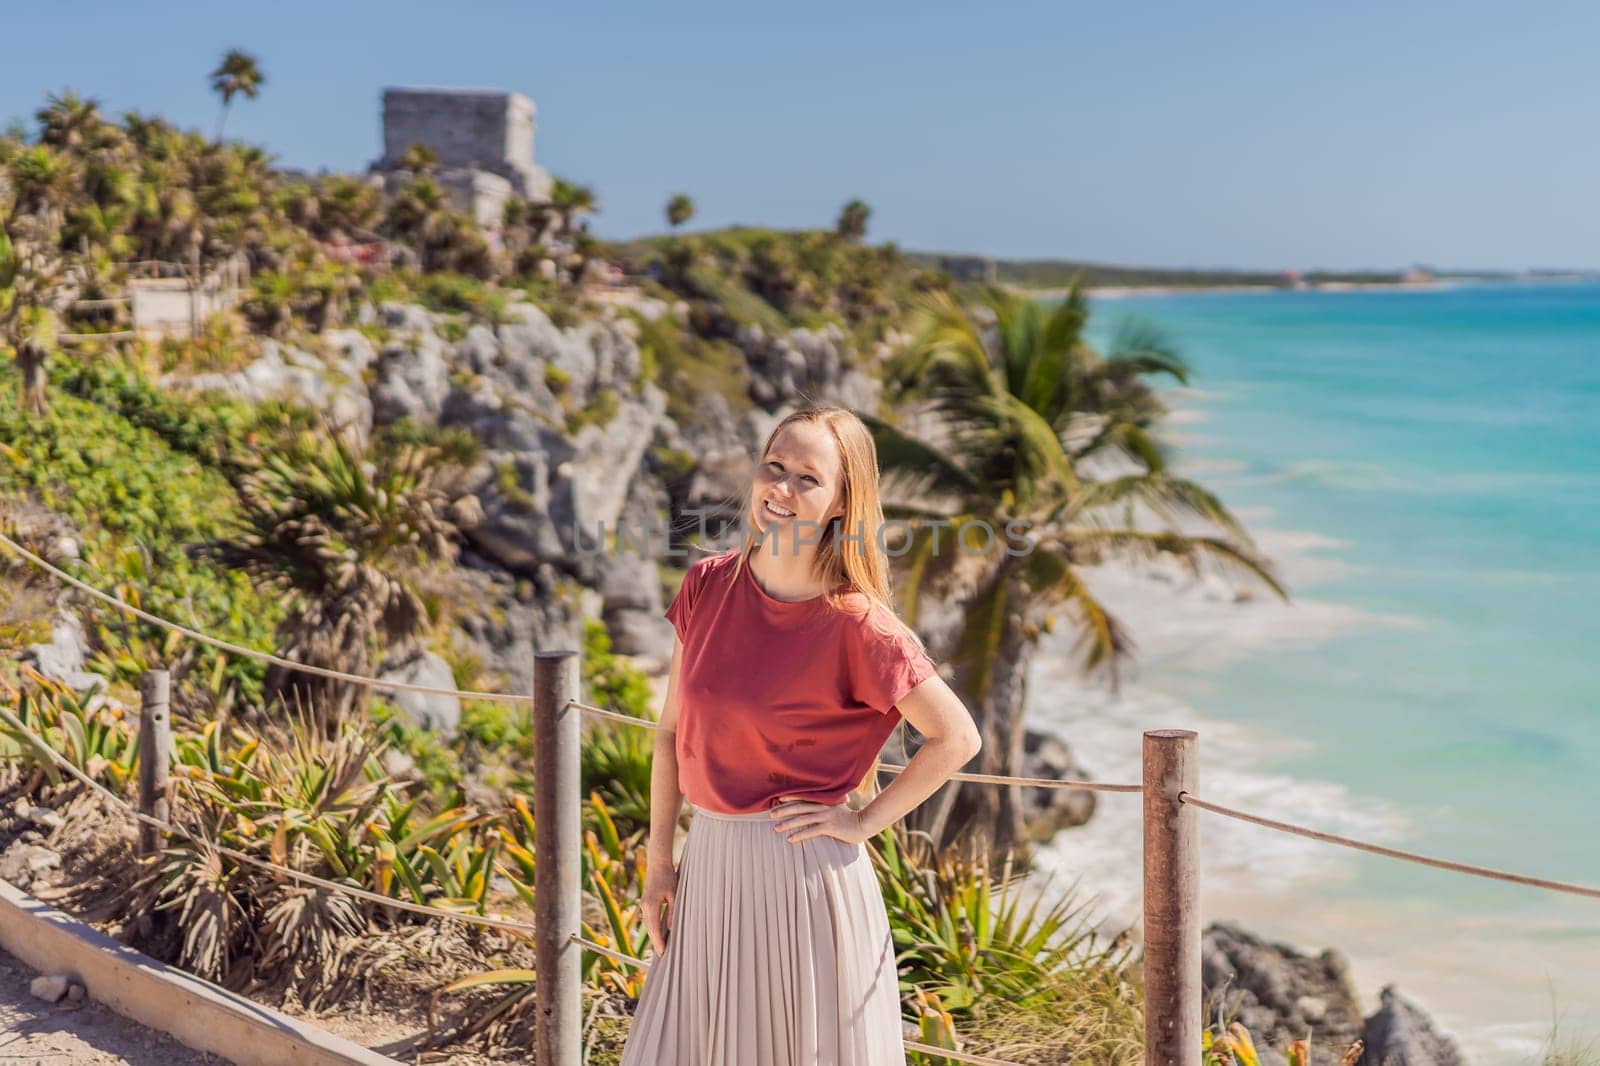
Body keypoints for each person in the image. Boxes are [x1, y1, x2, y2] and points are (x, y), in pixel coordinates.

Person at [618, 405, 983, 1065]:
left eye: (807, 479)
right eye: (774, 467)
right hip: (709, 870)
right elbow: (671, 731)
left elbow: (956, 737)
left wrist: (861, 823)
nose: (780, 489)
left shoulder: (859, 625)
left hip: (803, 881)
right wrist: (658, 867)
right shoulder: (707, 584)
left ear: (844, 502)